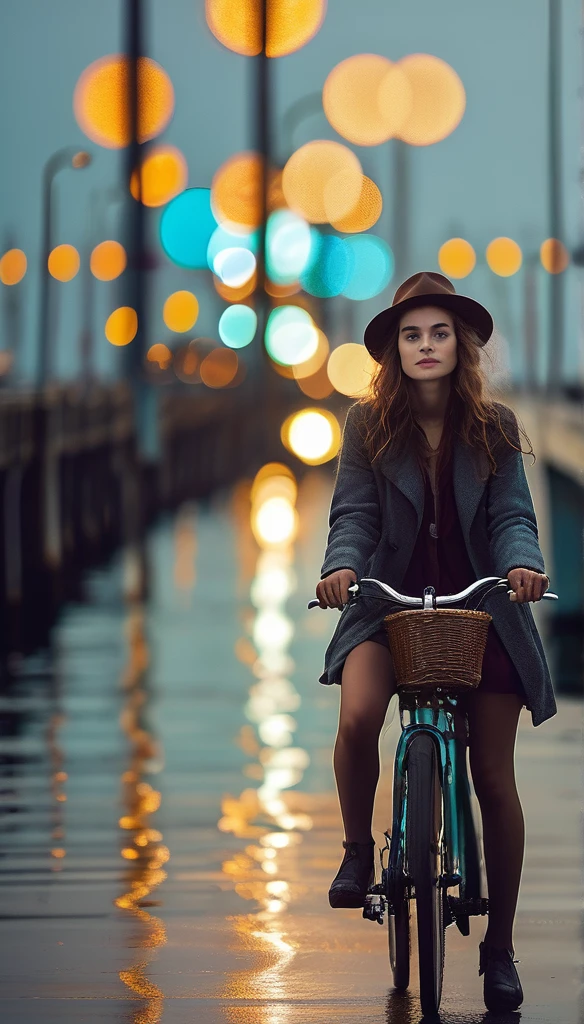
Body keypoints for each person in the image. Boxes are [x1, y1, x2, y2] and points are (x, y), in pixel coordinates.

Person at [315, 272, 555, 1014]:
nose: (426, 346)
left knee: (493, 777)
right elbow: (351, 514)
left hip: (482, 610)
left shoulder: (495, 426)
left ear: (461, 345)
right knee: (357, 716)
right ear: (394, 350)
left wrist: (520, 564)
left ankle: (500, 948)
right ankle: (360, 848)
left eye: (439, 333)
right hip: (386, 608)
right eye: (412, 335)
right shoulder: (367, 426)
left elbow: (515, 514)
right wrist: (341, 569)